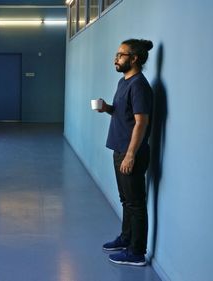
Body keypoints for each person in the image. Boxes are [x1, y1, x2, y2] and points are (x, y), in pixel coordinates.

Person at [97, 39, 153, 266]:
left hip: (132, 153)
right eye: (116, 54)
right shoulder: (124, 82)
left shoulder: (139, 84)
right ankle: (126, 238)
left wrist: (131, 154)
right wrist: (106, 108)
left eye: (120, 55)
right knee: (126, 200)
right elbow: (123, 113)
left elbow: (141, 122)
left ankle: (137, 252)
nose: (115, 59)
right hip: (120, 149)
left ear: (134, 58)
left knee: (135, 203)